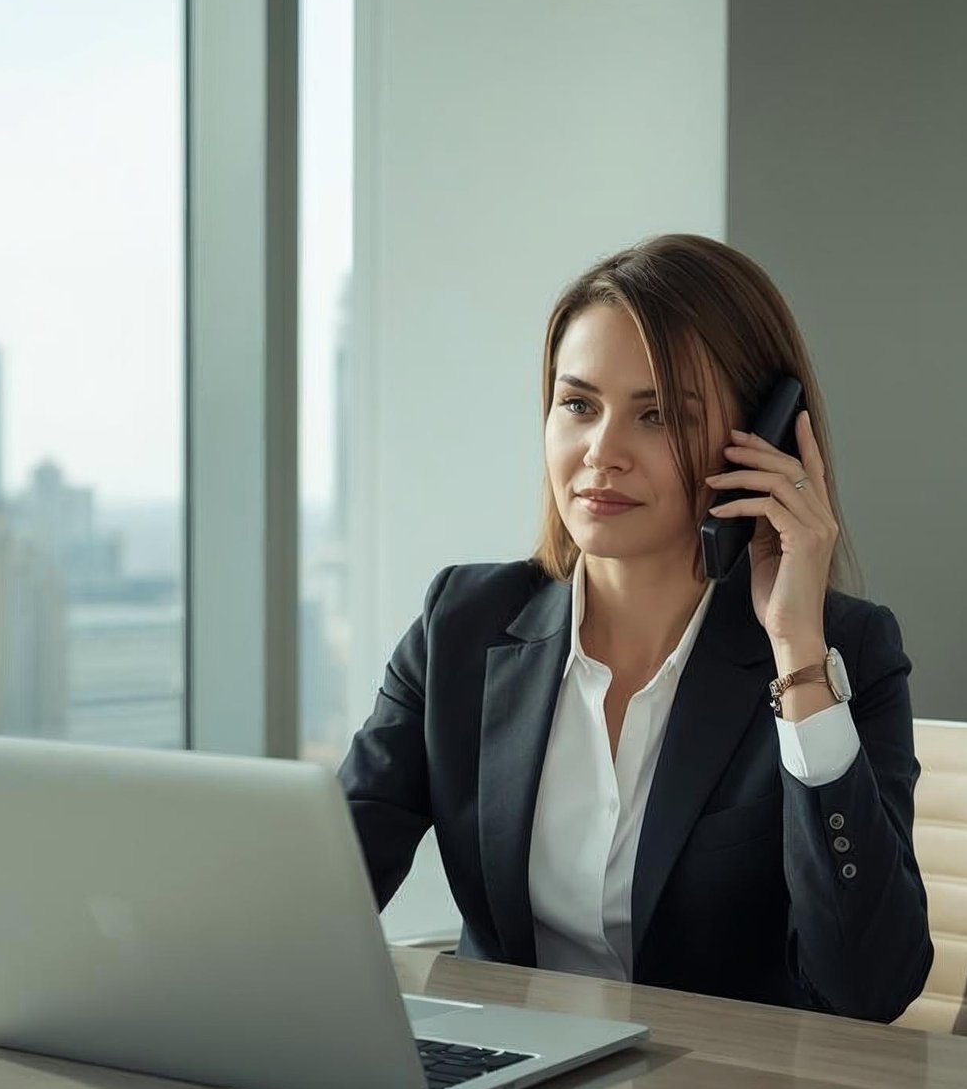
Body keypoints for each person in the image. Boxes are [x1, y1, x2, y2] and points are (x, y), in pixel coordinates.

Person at [340, 234, 930, 1022]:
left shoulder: (842, 654)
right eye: (578, 404)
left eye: (658, 416)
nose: (601, 452)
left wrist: (796, 652)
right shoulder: (463, 623)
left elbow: (870, 988)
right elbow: (327, 889)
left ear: (763, 436)